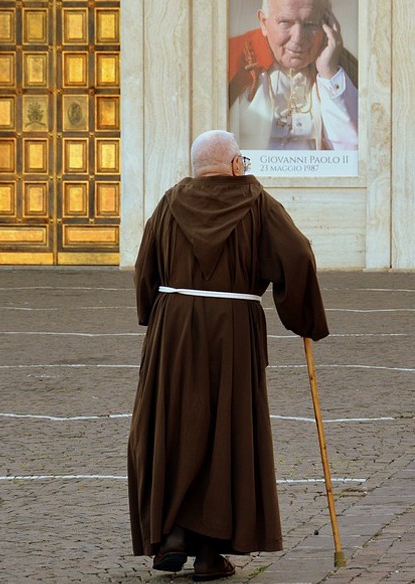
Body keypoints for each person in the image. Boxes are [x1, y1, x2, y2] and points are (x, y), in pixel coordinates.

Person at [128, 130, 329, 581]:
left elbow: (146, 266)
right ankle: (207, 554)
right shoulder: (256, 202)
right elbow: (297, 255)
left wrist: (153, 314)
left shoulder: (170, 201)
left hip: (175, 328)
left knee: (174, 424)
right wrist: (304, 318)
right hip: (231, 330)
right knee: (224, 431)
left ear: (198, 165)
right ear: (236, 163)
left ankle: (173, 533)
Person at [228, 0, 358, 150]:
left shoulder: (342, 65)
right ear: (264, 22)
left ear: (327, 23)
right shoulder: (229, 57)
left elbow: (354, 152)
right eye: (285, 22)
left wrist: (329, 74)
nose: (298, 38)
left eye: (310, 23)